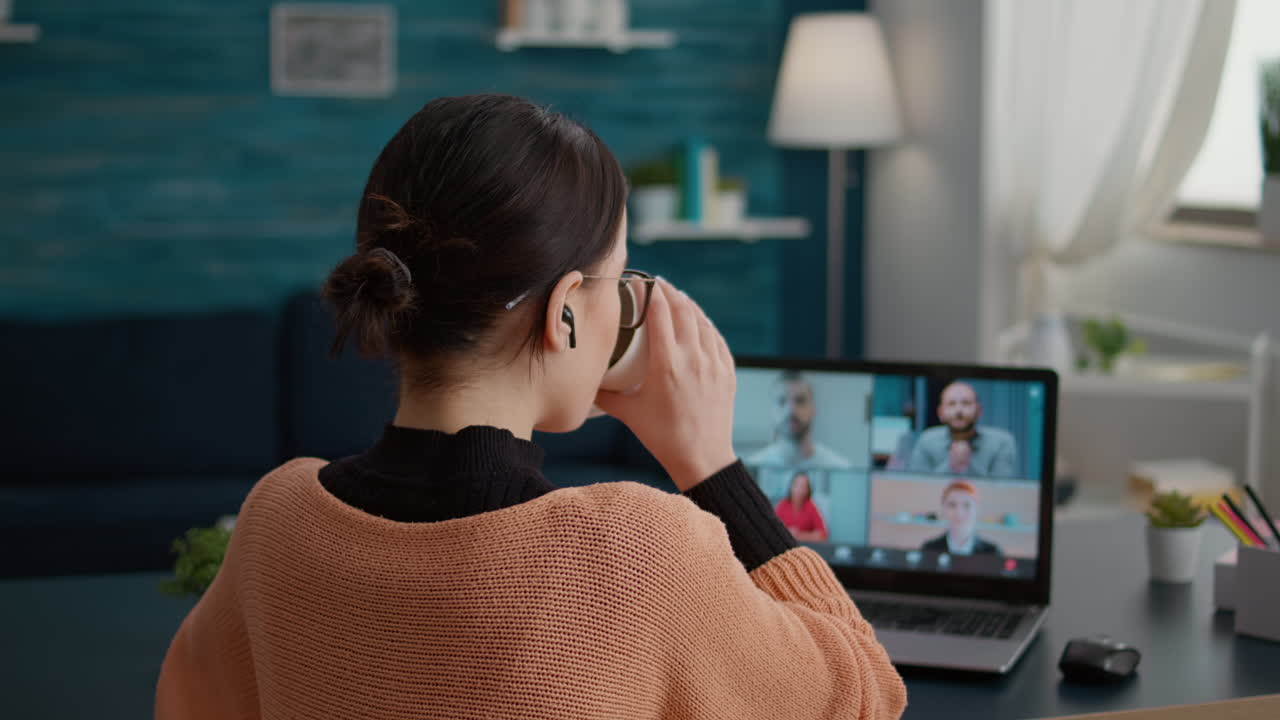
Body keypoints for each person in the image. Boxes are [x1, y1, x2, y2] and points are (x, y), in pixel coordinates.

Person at [155, 95, 905, 720]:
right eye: (617, 280)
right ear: (568, 312)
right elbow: (869, 697)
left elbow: (185, 700)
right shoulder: (641, 553)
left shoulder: (276, 519)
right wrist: (711, 467)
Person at [907, 381, 1018, 477]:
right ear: (940, 413)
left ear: (979, 411)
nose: (959, 410)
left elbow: (1002, 492)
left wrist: (968, 465)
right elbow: (919, 487)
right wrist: (951, 464)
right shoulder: (927, 440)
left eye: (966, 403)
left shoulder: (1001, 442)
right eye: (951, 404)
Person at [746, 370, 853, 470]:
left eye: (800, 401)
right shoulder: (752, 468)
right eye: (781, 401)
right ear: (771, 411)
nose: (791, 410)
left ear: (813, 409)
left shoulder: (840, 467)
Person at [920, 480, 1001, 556]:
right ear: (943, 509)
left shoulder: (993, 552)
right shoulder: (929, 550)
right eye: (952, 505)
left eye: (967, 505)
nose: (959, 513)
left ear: (977, 509)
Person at [774, 471, 829, 543]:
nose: (799, 489)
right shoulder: (782, 505)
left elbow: (822, 534)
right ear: (791, 486)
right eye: (797, 485)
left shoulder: (810, 506)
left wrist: (799, 535)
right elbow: (772, 530)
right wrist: (787, 533)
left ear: (807, 490)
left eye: (803, 486)